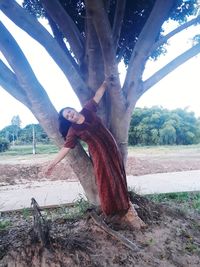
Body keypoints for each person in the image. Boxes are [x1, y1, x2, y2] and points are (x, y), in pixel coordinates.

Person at [45, 81, 145, 229]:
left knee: (119, 175)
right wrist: (52, 164)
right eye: (67, 116)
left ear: (73, 109)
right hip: (100, 156)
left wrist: (104, 83)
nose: (70, 115)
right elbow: (66, 148)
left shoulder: (87, 110)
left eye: (69, 112)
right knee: (108, 181)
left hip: (113, 149)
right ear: (68, 120)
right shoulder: (73, 130)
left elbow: (97, 95)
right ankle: (122, 210)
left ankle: (125, 206)